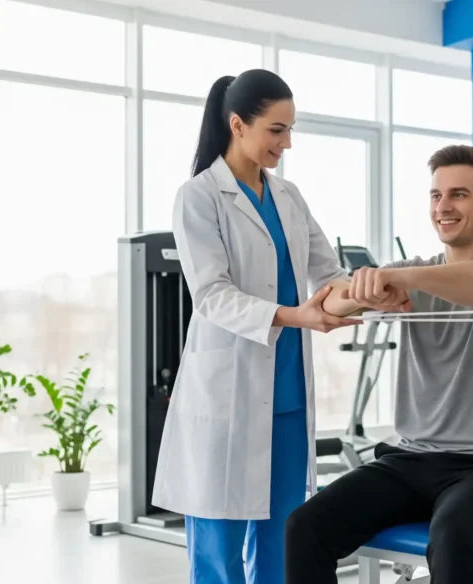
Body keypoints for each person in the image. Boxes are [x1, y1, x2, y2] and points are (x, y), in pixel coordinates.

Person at [151, 69, 406, 584]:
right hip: (227, 394)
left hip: (287, 397)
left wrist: (375, 296)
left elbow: (328, 274)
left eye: (290, 131)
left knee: (280, 541)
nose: (286, 143)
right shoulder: (199, 196)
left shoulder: (288, 196)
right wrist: (297, 316)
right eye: (276, 130)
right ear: (238, 124)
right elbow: (212, 295)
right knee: (218, 553)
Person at [285, 144, 473, 584]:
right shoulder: (407, 271)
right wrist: (361, 292)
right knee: (304, 527)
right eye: (435, 195)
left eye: (459, 194)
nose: (443, 206)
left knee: (451, 537)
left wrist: (396, 278)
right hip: (408, 461)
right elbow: (330, 303)